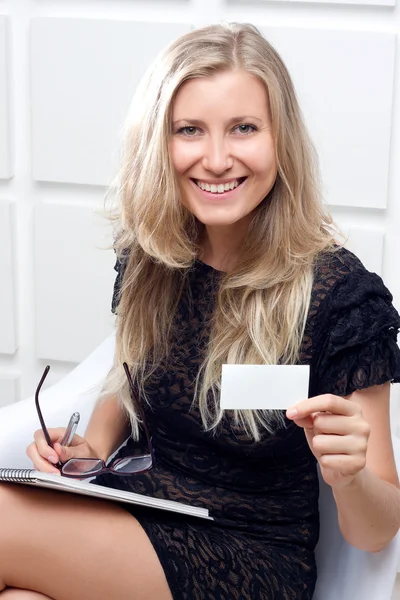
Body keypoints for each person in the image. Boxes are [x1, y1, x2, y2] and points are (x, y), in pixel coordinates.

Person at [1, 21, 400, 600]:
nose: (216, 159)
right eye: (190, 130)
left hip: (249, 555)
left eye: (243, 128)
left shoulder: (341, 294)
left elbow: (376, 531)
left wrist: (351, 474)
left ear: (279, 139)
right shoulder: (152, 257)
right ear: (160, 142)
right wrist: (87, 448)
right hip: (140, 510)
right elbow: (132, 376)